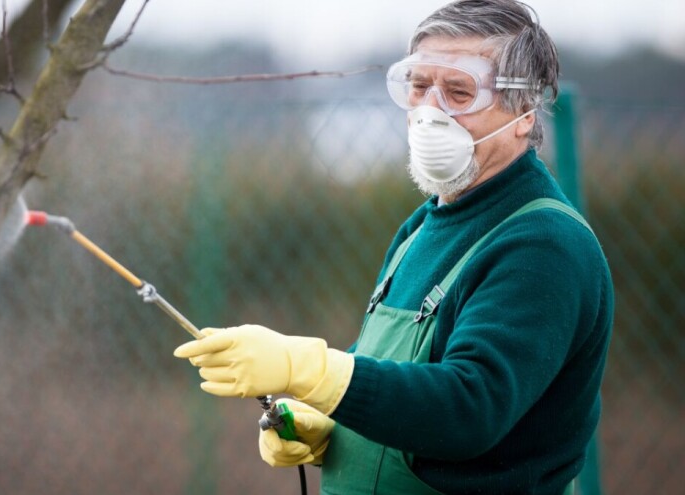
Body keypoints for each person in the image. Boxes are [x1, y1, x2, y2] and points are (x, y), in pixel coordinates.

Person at [174, 1, 614, 494]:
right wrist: (329, 425)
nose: (430, 111)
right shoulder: (421, 228)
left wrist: (309, 369)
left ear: (523, 113)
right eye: (419, 86)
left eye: (459, 92)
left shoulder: (543, 247)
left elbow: (469, 408)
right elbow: (389, 377)